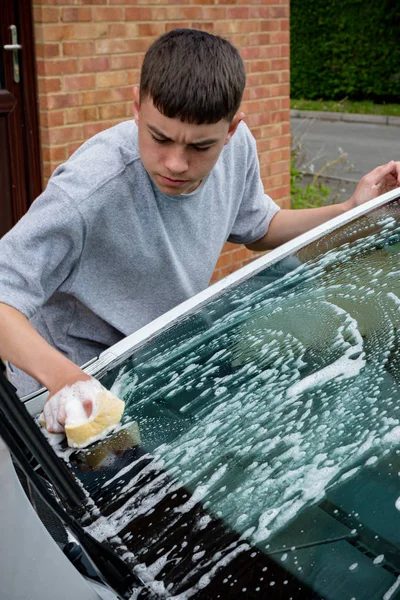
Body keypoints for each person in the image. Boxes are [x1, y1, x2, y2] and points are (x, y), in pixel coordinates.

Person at [0, 29, 399, 432]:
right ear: (137, 106)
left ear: (231, 129)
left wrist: (351, 210)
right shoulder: (88, 191)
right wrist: (66, 380)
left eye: (200, 147)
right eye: (160, 137)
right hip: (70, 398)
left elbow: (259, 227)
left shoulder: (237, 147)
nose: (175, 163)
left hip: (158, 363)